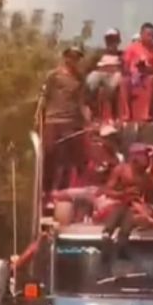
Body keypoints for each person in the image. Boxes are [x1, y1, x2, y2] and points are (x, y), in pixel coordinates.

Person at [41, 47, 89, 193]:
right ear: (66, 57)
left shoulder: (80, 78)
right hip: (53, 120)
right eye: (72, 57)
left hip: (71, 122)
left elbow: (81, 101)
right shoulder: (54, 75)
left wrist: (86, 120)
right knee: (49, 156)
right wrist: (39, 118)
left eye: (77, 58)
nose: (74, 60)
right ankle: (45, 191)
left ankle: (61, 193)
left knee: (68, 160)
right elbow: (44, 97)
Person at [84, 28, 129, 123]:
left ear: (118, 41)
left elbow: (125, 68)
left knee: (117, 79)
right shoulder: (99, 54)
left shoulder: (122, 54)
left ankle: (110, 113)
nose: (111, 42)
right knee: (92, 78)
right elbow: (89, 67)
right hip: (100, 74)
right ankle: (91, 107)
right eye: (109, 40)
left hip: (114, 76)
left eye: (114, 39)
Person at [124, 22, 153, 122]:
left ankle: (145, 113)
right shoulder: (132, 47)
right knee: (123, 81)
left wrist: (148, 68)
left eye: (152, 35)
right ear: (141, 35)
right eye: (148, 35)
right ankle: (126, 113)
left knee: (151, 79)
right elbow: (125, 65)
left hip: (147, 76)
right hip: (133, 76)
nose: (151, 38)